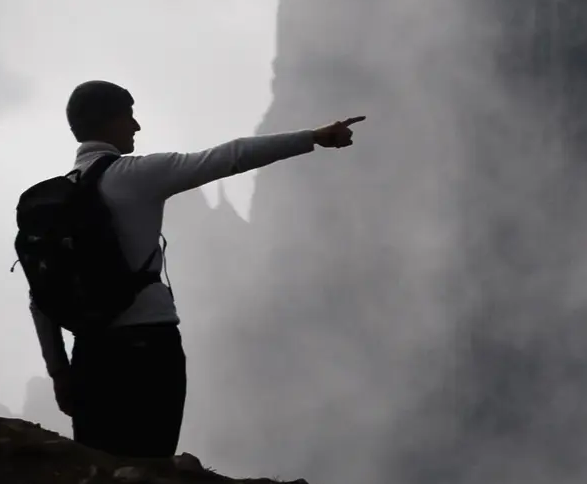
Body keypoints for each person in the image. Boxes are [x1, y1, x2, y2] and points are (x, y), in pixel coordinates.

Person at [35, 79, 364, 460]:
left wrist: (59, 372)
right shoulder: (138, 175)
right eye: (129, 116)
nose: (136, 126)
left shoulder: (52, 200)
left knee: (101, 475)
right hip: (148, 348)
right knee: (151, 468)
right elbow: (230, 156)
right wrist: (313, 137)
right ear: (108, 122)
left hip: (90, 355)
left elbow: (40, 296)